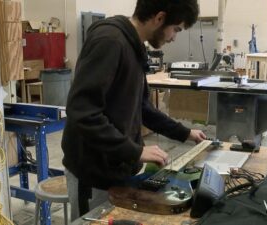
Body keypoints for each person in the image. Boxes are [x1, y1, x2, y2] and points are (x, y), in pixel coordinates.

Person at [61, 0, 205, 220]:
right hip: (93, 173)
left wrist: (184, 132)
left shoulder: (133, 46)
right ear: (159, 18)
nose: (174, 37)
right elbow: (83, 112)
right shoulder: (110, 42)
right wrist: (135, 151)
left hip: (116, 167)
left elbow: (142, 106)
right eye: (175, 29)